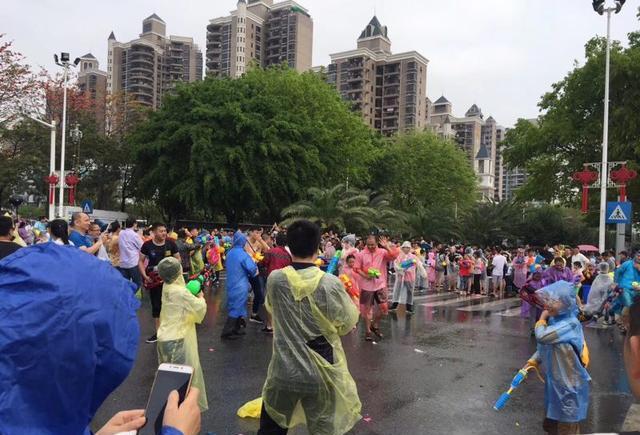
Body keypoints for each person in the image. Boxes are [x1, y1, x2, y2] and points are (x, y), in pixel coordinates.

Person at [259, 220, 361, 435]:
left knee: (272, 427)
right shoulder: (329, 283)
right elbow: (347, 322)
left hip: (284, 368)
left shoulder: (276, 279)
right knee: (323, 426)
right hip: (321, 370)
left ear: (290, 246)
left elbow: (271, 307)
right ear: (318, 248)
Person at [526, 281, 590, 435]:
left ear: (566, 303)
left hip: (569, 385)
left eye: (554, 301)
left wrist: (542, 317)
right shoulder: (556, 320)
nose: (548, 304)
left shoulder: (570, 324)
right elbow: (545, 347)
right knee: (551, 426)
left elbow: (542, 337)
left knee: (566, 428)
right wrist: (531, 362)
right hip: (555, 383)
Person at [156, 257, 208, 411]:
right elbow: (198, 308)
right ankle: (180, 411)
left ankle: (169, 407)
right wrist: (201, 298)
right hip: (178, 339)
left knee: (168, 377)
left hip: (164, 336)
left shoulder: (166, 286)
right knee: (183, 380)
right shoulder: (180, 292)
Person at [139, 222, 180, 343]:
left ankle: (171, 331)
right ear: (154, 232)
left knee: (171, 305)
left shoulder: (171, 244)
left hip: (169, 281)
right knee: (156, 306)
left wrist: (172, 270)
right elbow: (140, 261)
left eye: (165, 231)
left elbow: (178, 259)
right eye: (161, 231)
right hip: (154, 281)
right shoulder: (147, 245)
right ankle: (158, 332)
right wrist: (145, 276)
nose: (164, 233)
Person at [355, 234, 399, 341]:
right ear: (366, 244)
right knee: (367, 310)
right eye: (369, 245)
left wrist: (387, 246)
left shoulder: (382, 252)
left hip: (380, 284)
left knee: (384, 309)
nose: (371, 247)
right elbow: (356, 268)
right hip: (366, 286)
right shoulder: (361, 254)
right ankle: (368, 331)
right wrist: (365, 276)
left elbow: (393, 256)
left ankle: (374, 325)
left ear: (377, 244)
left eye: (373, 245)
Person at [222, 230, 258, 339]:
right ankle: (227, 331)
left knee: (236, 305)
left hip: (231, 283)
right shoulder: (243, 254)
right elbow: (253, 269)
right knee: (237, 307)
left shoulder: (230, 252)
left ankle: (236, 329)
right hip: (240, 285)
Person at [389, 241, 425, 314]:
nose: (407, 249)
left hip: (410, 277)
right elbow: (396, 265)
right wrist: (400, 269)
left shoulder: (413, 257)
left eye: (408, 247)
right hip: (400, 277)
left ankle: (409, 306)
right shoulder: (399, 256)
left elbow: (419, 265)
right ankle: (394, 304)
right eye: (405, 247)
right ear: (402, 248)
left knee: (410, 292)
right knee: (397, 290)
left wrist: (423, 273)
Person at [245, 226, 271, 324]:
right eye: (256, 233)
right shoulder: (245, 242)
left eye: (259, 233)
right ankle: (239, 316)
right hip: (244, 271)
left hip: (254, 270)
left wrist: (260, 239)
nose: (258, 235)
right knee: (243, 292)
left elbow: (268, 250)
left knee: (259, 293)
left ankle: (254, 314)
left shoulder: (259, 243)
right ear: (251, 232)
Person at [118, 217, 143, 288]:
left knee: (125, 284)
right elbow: (142, 247)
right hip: (133, 263)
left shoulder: (121, 233)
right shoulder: (134, 235)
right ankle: (133, 296)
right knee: (137, 283)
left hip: (123, 263)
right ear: (134, 224)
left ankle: (126, 297)